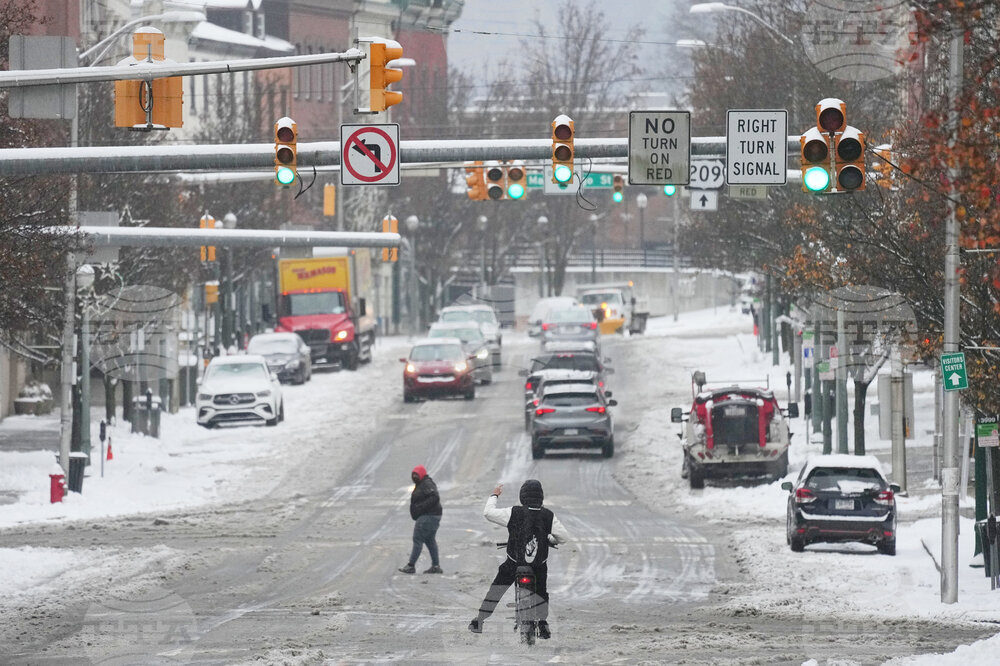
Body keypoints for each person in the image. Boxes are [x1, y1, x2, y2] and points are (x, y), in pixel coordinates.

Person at [468, 479, 568, 639]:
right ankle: (542, 623)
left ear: (522, 496)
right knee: (541, 591)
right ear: (541, 497)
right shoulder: (548, 515)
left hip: (514, 564)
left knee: (497, 589)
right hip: (538, 566)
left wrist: (494, 495)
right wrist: (550, 539)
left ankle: (480, 620)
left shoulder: (513, 512)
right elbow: (563, 537)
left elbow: (488, 513)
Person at [399, 464, 443, 574]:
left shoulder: (426, 484)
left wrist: (421, 507)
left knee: (417, 539)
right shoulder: (423, 484)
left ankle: (411, 566)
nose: (414, 477)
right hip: (433, 516)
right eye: (413, 475)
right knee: (429, 540)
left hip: (428, 517)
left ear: (422, 474)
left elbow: (435, 497)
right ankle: (436, 566)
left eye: (417, 474)